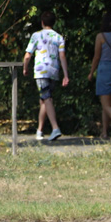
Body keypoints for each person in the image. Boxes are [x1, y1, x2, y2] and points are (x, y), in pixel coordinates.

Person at [22, 10, 70, 141]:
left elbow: (28, 55)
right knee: (44, 99)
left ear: (42, 22)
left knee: (47, 99)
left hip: (41, 71)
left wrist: (25, 68)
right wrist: (65, 75)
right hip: (53, 71)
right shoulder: (58, 37)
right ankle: (40, 130)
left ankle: (55, 128)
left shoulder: (36, 36)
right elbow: (62, 56)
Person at [88, 12, 111, 139]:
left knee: (105, 104)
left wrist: (91, 72)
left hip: (105, 70)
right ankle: (104, 132)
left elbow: (97, 56)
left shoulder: (100, 37)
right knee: (108, 104)